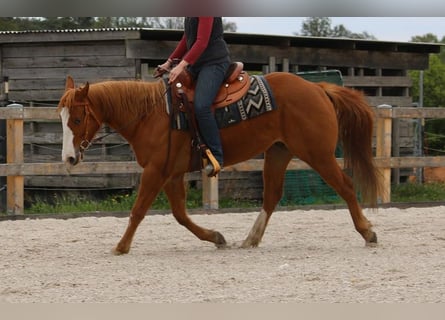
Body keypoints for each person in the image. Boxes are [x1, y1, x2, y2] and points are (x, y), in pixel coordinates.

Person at [157, 17, 230, 176]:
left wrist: (181, 65)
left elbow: (202, 42)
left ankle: (216, 157)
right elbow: (187, 38)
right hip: (197, 65)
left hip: (214, 63)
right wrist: (169, 62)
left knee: (201, 106)